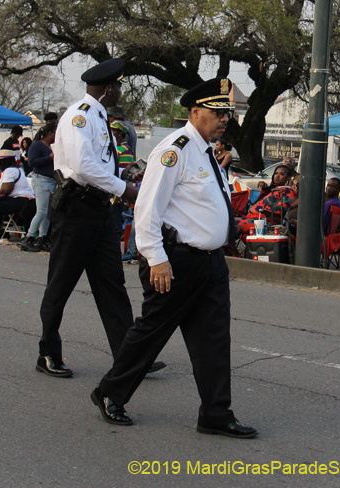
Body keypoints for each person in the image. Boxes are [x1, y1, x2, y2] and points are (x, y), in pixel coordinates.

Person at [92, 76, 256, 439]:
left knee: (214, 339)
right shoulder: (175, 149)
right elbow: (148, 208)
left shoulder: (206, 151)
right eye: (218, 113)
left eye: (227, 113)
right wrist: (155, 257)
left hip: (210, 262)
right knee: (151, 333)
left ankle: (215, 413)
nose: (224, 119)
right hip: (176, 261)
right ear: (196, 112)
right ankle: (109, 393)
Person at [36, 58, 163, 378]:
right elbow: (82, 167)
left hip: (102, 212)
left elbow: (102, 166)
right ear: (109, 88)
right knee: (60, 284)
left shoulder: (99, 116)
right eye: (119, 86)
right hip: (77, 210)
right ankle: (48, 352)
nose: (121, 91)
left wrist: (129, 177)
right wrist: (126, 190)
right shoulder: (79, 116)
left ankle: (127, 357)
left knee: (112, 287)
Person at [20, 123, 56, 253]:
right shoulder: (37, 145)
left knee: (47, 212)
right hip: (41, 179)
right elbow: (32, 162)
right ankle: (29, 237)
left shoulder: (50, 146)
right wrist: (50, 157)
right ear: (50, 133)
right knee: (41, 211)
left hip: (51, 180)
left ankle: (42, 237)